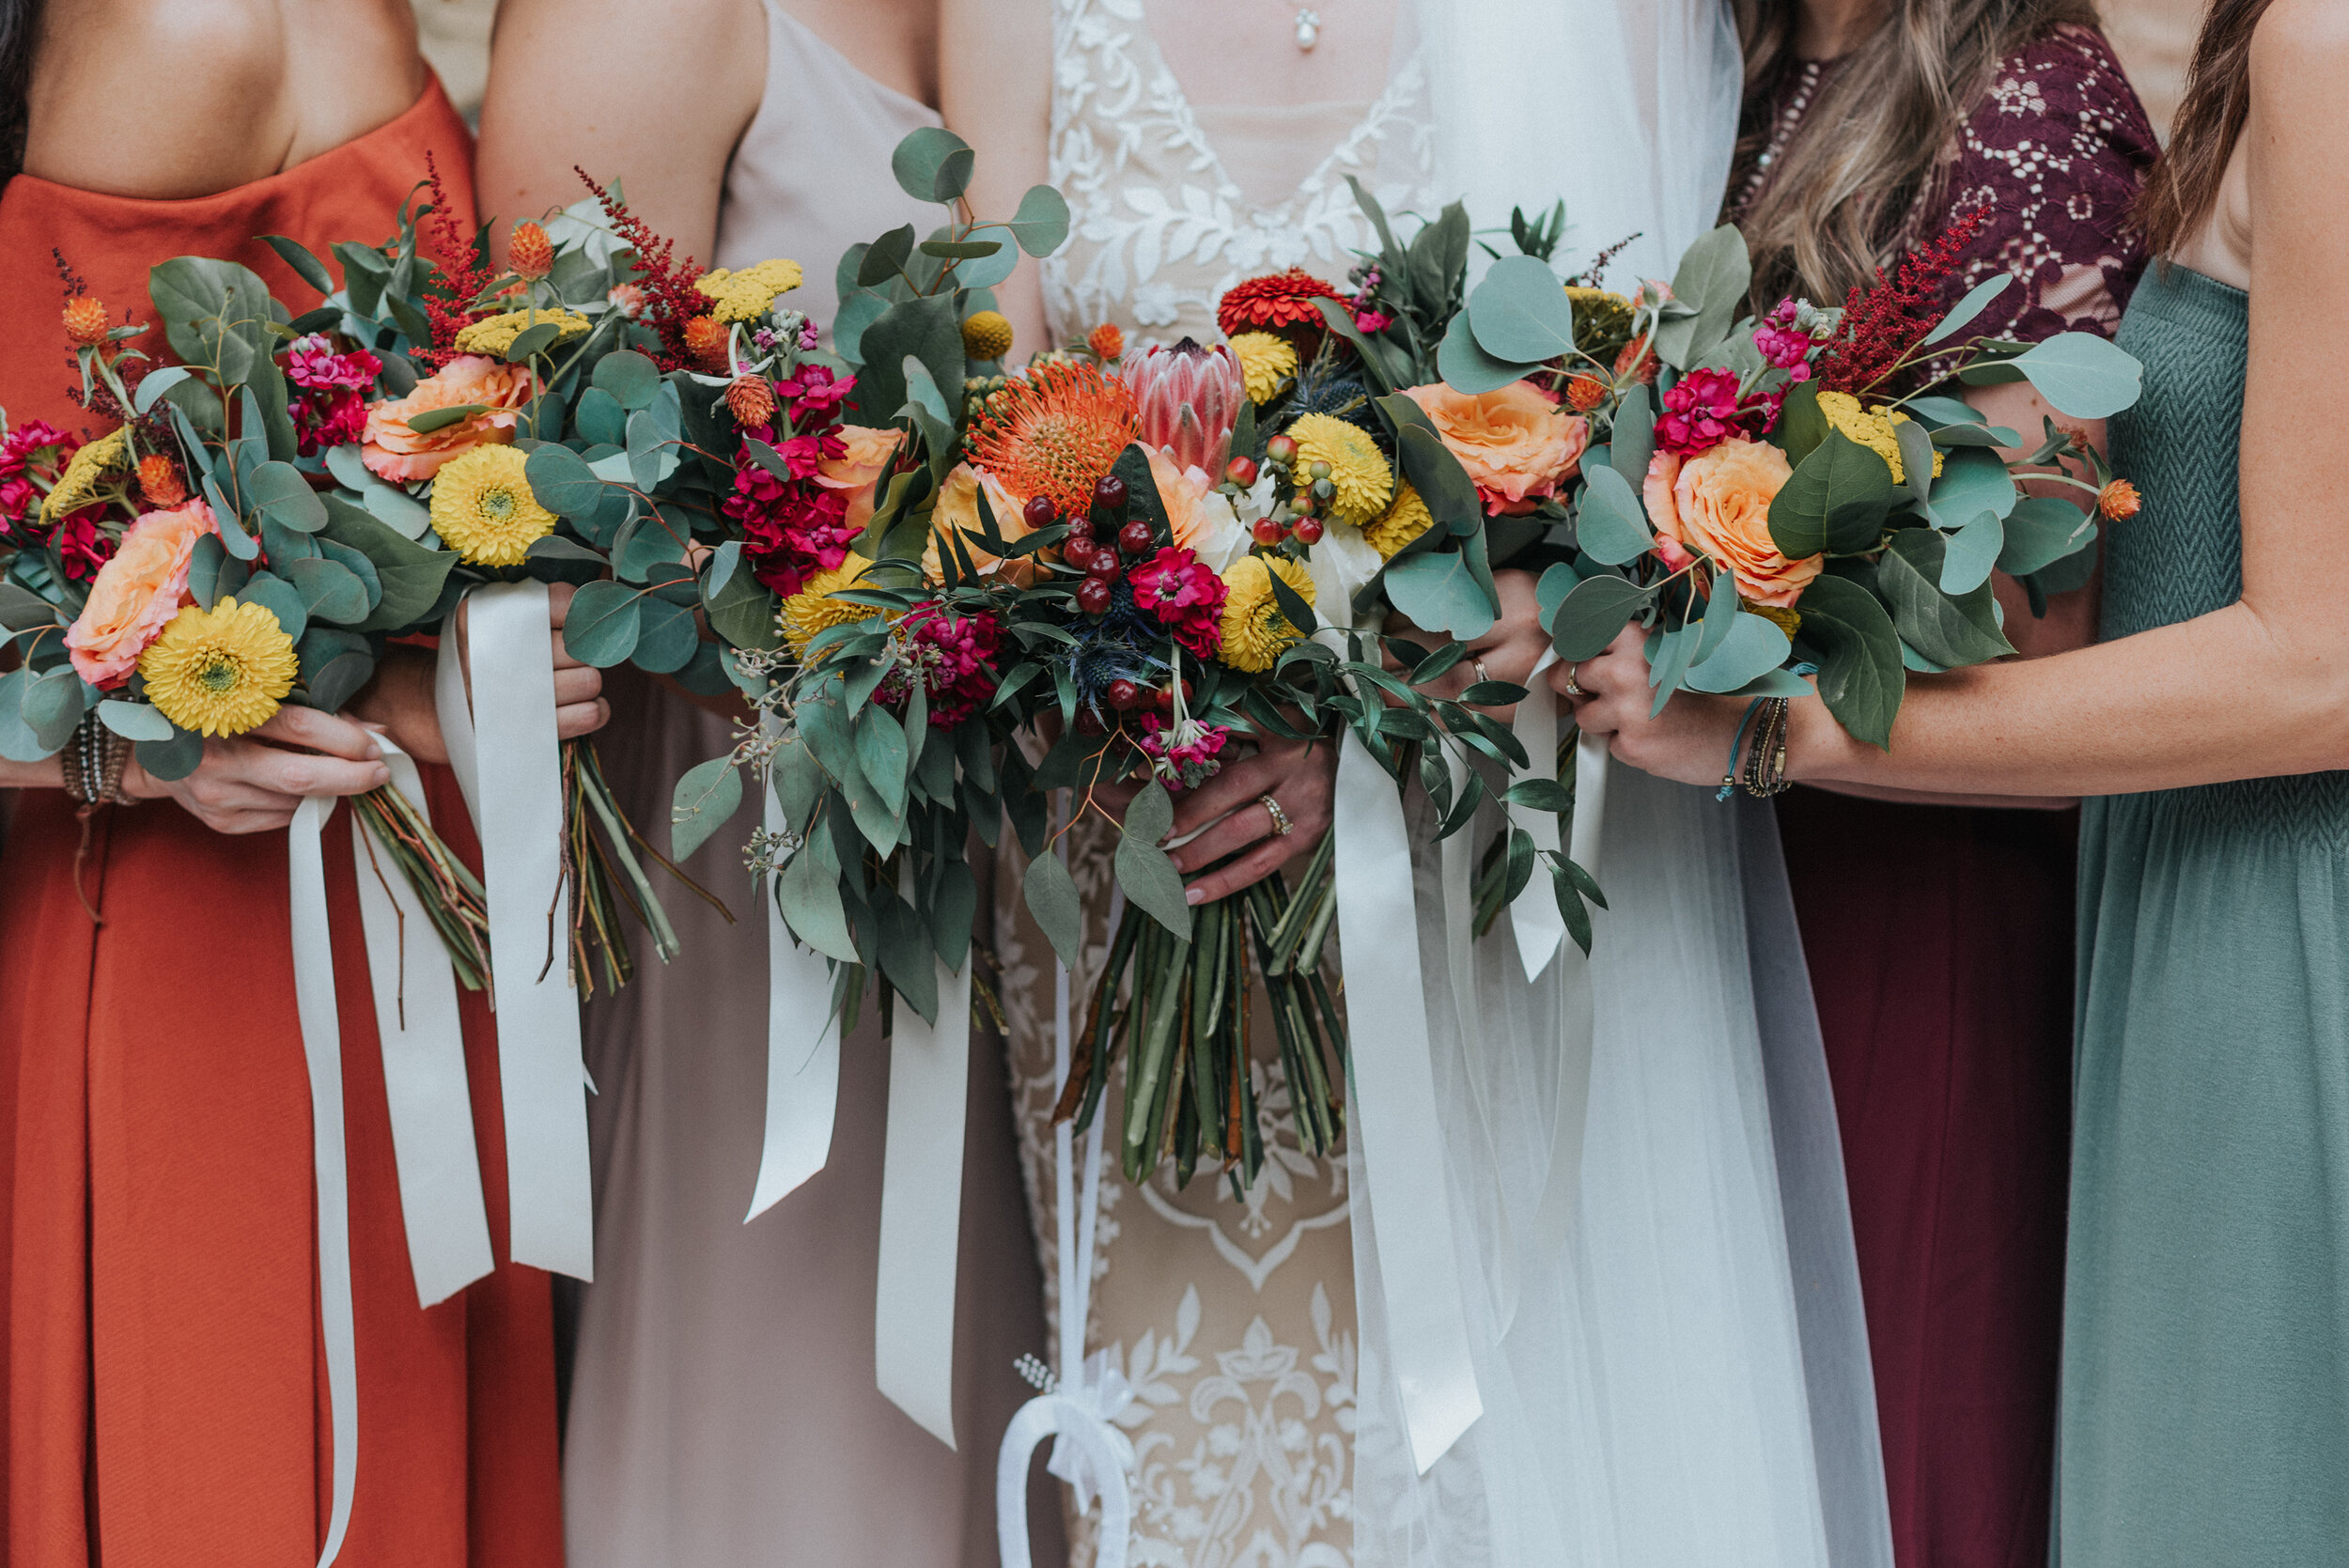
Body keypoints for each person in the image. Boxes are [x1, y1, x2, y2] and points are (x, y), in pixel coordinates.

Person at [949, 1, 1889, 1562]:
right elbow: (990, 451)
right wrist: (1140, 656)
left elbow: (1636, 476)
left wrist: (1364, 702)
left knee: (1481, 1461)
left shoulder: (1603, 27)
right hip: (1149, 855)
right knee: (1190, 1471)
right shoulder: (1016, 18)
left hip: (1473, 854)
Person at [1564, 0, 2349, 1560]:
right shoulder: (2221, 55)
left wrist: (1773, 721)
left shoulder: (2299, 50)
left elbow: (2319, 664)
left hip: (2273, 928)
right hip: (2164, 923)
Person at [0, 0, 598, 1561]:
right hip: (221, 951)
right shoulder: (175, 38)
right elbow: (37, 569)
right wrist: (136, 754)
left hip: (393, 904)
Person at [474, 3, 1053, 1563]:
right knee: (810, 1463)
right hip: (774, 899)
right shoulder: (650, 23)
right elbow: (537, 488)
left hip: (1026, 898)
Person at [1721, 3, 2157, 1562]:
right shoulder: (1739, 74)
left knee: (1898, 1472)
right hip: (1718, 896)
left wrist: (1738, 681)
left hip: (1920, 925)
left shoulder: (2033, 98)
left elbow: (2045, 633)